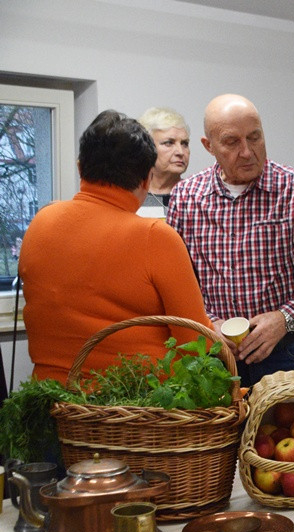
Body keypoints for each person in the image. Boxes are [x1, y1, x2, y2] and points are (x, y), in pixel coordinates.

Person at [167, 94, 294, 387]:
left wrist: (286, 318)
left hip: (289, 351)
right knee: (220, 434)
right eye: (231, 142)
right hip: (215, 356)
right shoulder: (186, 197)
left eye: (255, 138)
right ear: (209, 146)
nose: (247, 152)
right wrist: (206, 324)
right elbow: (175, 279)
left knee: (292, 433)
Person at [19, 110, 210, 383]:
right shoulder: (156, 237)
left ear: (80, 168)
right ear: (146, 179)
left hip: (53, 404)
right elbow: (196, 343)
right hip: (135, 411)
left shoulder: (41, 221)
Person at [137, 107, 190, 214]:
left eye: (184, 143)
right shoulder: (131, 196)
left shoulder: (196, 196)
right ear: (147, 147)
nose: (180, 152)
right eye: (169, 143)